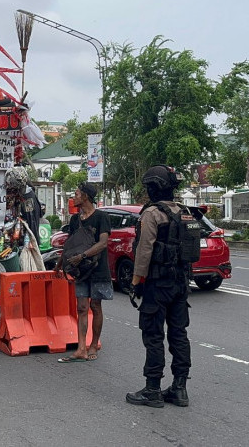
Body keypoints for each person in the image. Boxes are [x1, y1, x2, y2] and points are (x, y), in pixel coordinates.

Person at [126, 165, 197, 408]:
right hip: (180, 284)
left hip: (157, 285)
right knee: (179, 334)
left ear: (154, 188)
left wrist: (135, 282)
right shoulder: (185, 212)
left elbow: (144, 251)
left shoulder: (152, 214)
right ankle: (179, 388)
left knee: (153, 335)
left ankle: (152, 389)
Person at [54, 182, 112, 362]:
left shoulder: (102, 217)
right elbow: (69, 245)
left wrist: (82, 255)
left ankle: (93, 345)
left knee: (95, 306)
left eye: (77, 194)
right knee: (81, 307)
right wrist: (59, 266)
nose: (74, 197)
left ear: (86, 196)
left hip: (97, 269)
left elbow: (103, 243)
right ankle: (81, 348)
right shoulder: (74, 219)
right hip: (80, 271)